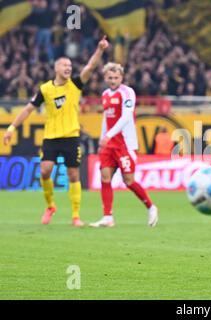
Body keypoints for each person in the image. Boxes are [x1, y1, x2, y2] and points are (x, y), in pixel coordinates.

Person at [3, 36, 109, 227]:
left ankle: (76, 216)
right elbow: (28, 109)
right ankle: (50, 206)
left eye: (69, 65)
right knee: (45, 170)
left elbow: (90, 68)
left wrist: (100, 50)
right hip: (51, 137)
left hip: (71, 137)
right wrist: (11, 128)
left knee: (73, 176)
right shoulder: (45, 89)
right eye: (64, 65)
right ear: (56, 69)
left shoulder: (75, 85)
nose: (68, 68)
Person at [89, 63, 158, 228]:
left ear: (121, 77)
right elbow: (106, 118)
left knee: (129, 181)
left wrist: (109, 135)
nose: (113, 81)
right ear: (105, 78)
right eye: (110, 78)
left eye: (116, 78)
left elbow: (126, 116)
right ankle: (107, 217)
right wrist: (102, 139)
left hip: (125, 144)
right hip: (108, 144)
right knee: (105, 177)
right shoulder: (105, 94)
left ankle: (151, 207)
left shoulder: (127, 92)